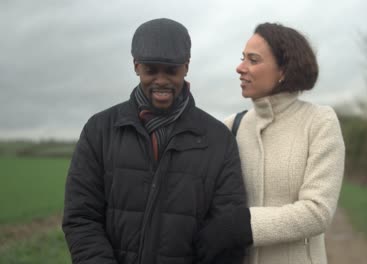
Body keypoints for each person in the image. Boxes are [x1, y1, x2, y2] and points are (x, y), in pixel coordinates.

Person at [62, 18, 247, 264]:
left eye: (171, 70)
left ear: (186, 67)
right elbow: (81, 217)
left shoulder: (218, 139)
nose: (161, 80)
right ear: (136, 66)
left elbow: (226, 231)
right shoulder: (99, 130)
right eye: (151, 70)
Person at [196, 22, 345, 264]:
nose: (240, 68)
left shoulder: (319, 122)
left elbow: (318, 212)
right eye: (242, 58)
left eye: (253, 60)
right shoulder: (231, 126)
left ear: (284, 70)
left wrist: (242, 225)